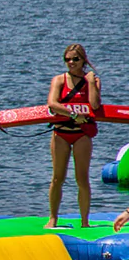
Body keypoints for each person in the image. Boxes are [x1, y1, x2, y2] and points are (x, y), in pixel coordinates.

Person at [46, 43, 101, 228]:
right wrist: (73, 115)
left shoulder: (92, 80)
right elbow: (52, 103)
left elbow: (94, 105)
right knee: (57, 178)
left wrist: (91, 82)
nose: (71, 62)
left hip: (81, 135)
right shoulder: (59, 80)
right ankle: (53, 218)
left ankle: (85, 221)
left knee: (82, 178)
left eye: (75, 59)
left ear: (83, 60)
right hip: (61, 133)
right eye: (67, 59)